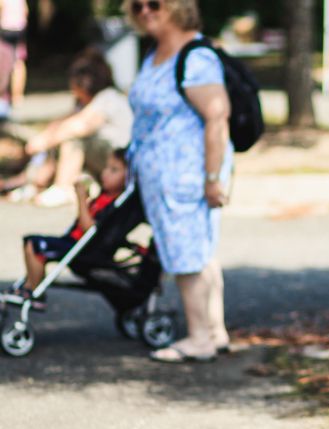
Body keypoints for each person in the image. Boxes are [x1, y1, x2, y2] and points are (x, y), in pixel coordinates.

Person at [124, 0, 232, 363]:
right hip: (163, 175)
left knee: (187, 256)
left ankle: (199, 337)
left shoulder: (195, 56)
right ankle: (214, 331)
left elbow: (217, 117)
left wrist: (214, 177)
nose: (145, 11)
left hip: (187, 175)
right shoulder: (156, 53)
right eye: (137, 5)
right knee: (199, 252)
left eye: (154, 4)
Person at [4, 50, 133, 208]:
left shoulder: (108, 98)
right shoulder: (85, 103)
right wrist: (46, 137)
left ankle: (63, 187)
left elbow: (79, 126)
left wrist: (44, 141)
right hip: (102, 162)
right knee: (60, 137)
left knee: (71, 137)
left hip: (119, 159)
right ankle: (33, 181)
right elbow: (62, 122)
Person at [12, 149, 128, 309]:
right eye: (107, 168)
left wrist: (80, 199)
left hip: (84, 248)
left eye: (114, 170)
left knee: (35, 245)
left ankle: (34, 291)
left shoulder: (115, 204)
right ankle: (30, 284)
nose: (105, 173)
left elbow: (90, 229)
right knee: (31, 242)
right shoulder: (105, 196)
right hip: (74, 240)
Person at [0, 0, 28, 107]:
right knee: (18, 62)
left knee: (3, 62)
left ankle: (2, 94)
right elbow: (26, 11)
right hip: (19, 28)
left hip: (5, 29)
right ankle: (18, 96)